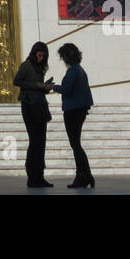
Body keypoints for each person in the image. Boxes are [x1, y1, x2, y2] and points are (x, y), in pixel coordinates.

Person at [52, 43, 95, 188]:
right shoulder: (80, 70)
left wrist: (53, 87)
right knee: (76, 144)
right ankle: (85, 175)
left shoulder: (72, 71)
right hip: (79, 110)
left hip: (73, 111)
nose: (62, 60)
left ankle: (83, 176)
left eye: (63, 57)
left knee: (75, 145)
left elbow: (67, 90)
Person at [13, 41, 54, 188]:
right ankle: (32, 176)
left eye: (43, 56)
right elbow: (16, 81)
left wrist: (45, 87)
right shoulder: (26, 65)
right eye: (39, 55)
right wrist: (36, 85)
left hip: (40, 106)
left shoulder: (41, 68)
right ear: (34, 53)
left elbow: (39, 87)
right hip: (29, 106)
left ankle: (40, 176)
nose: (41, 58)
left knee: (41, 142)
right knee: (34, 141)